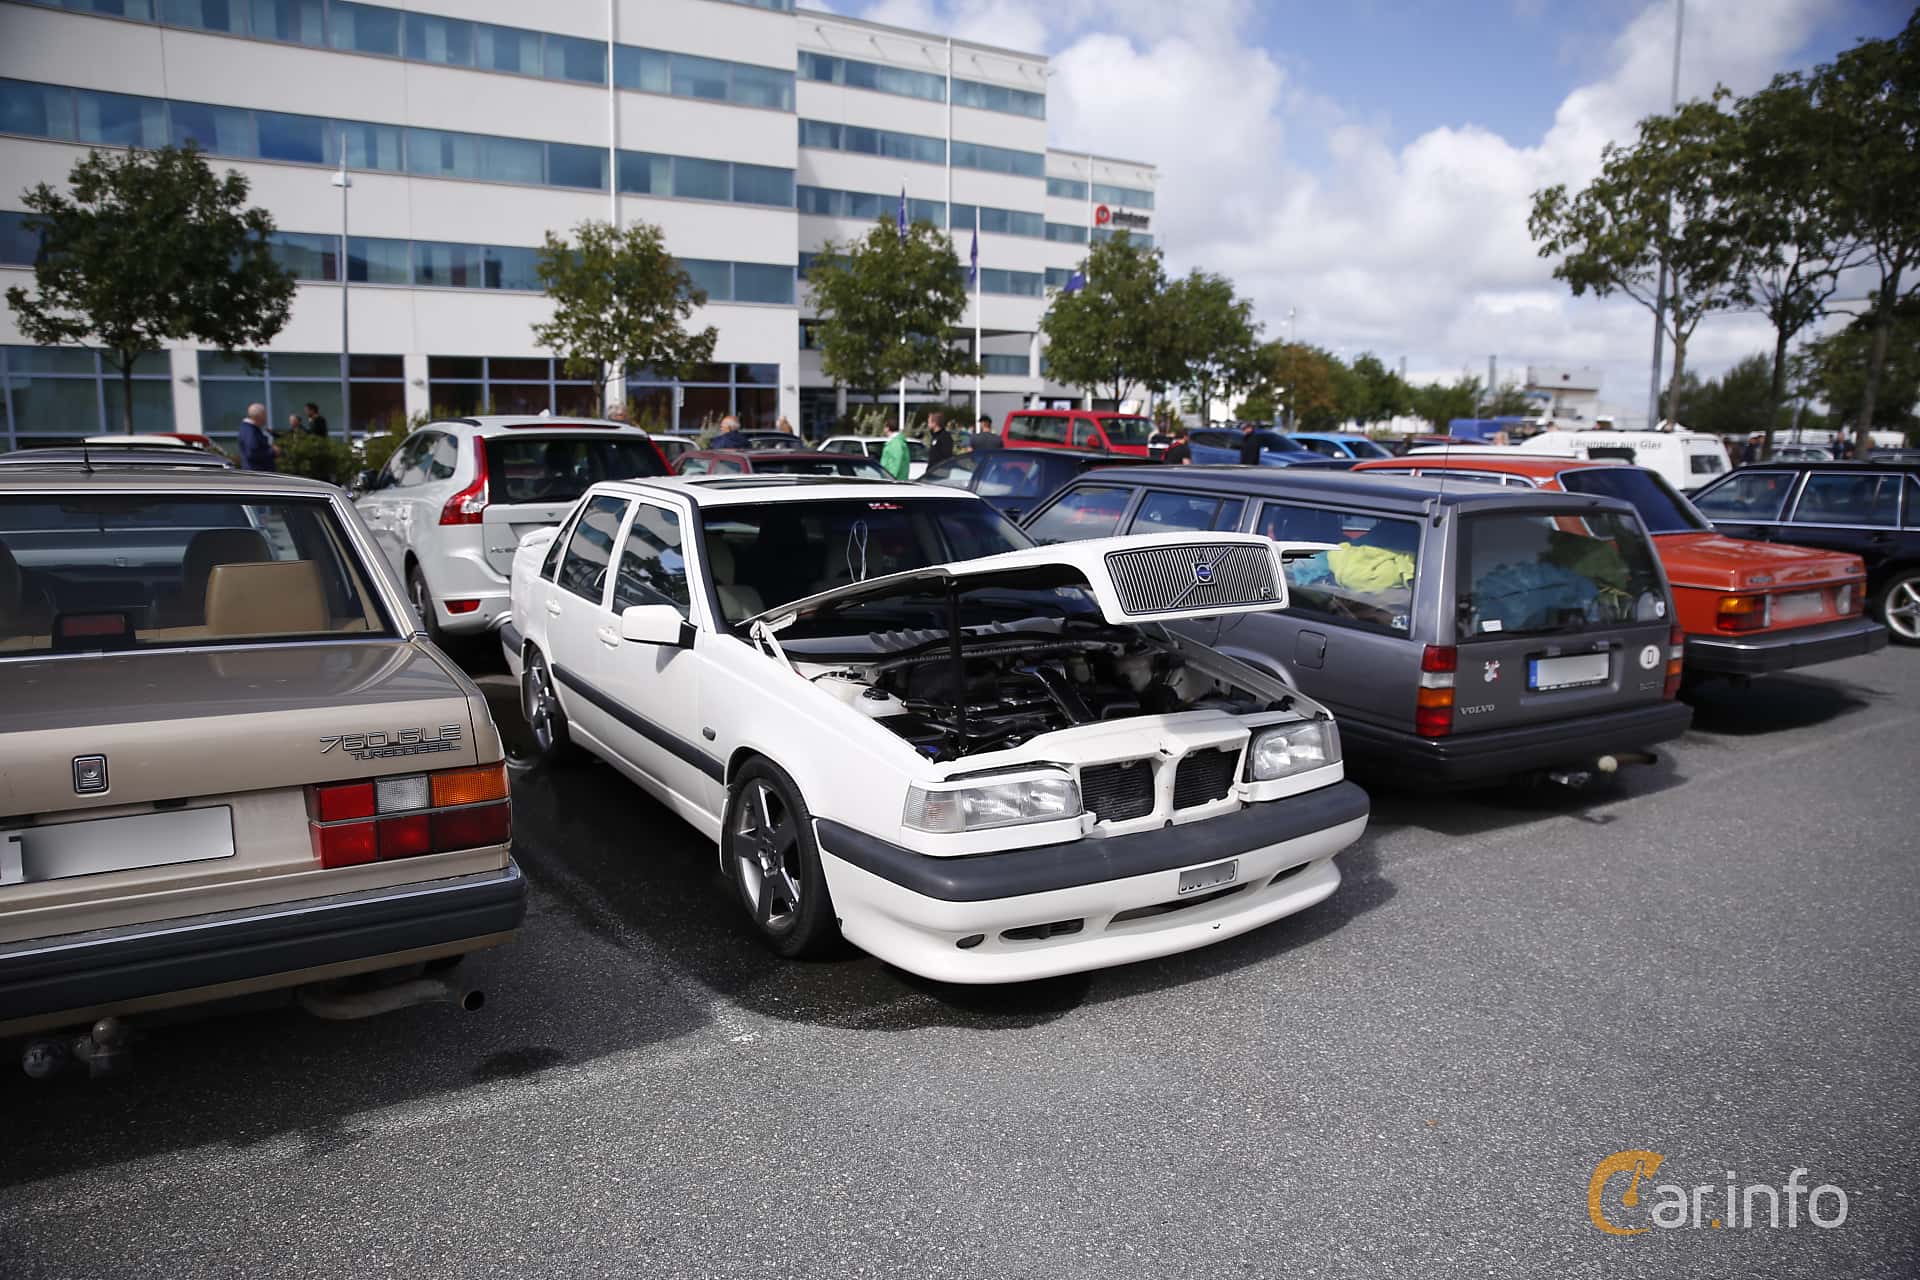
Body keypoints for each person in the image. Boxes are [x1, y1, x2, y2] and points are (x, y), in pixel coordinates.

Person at [237, 402, 277, 472]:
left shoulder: (249, 429)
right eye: (265, 414)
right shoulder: (250, 431)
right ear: (259, 416)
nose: (266, 418)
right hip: (257, 474)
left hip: (256, 473)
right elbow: (252, 453)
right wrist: (272, 452)